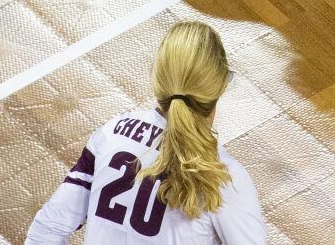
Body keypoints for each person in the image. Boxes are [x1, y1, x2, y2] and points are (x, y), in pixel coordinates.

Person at [25, 20, 267, 244]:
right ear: (221, 85)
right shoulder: (225, 176)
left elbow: (46, 230)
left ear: (158, 78)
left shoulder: (113, 134)